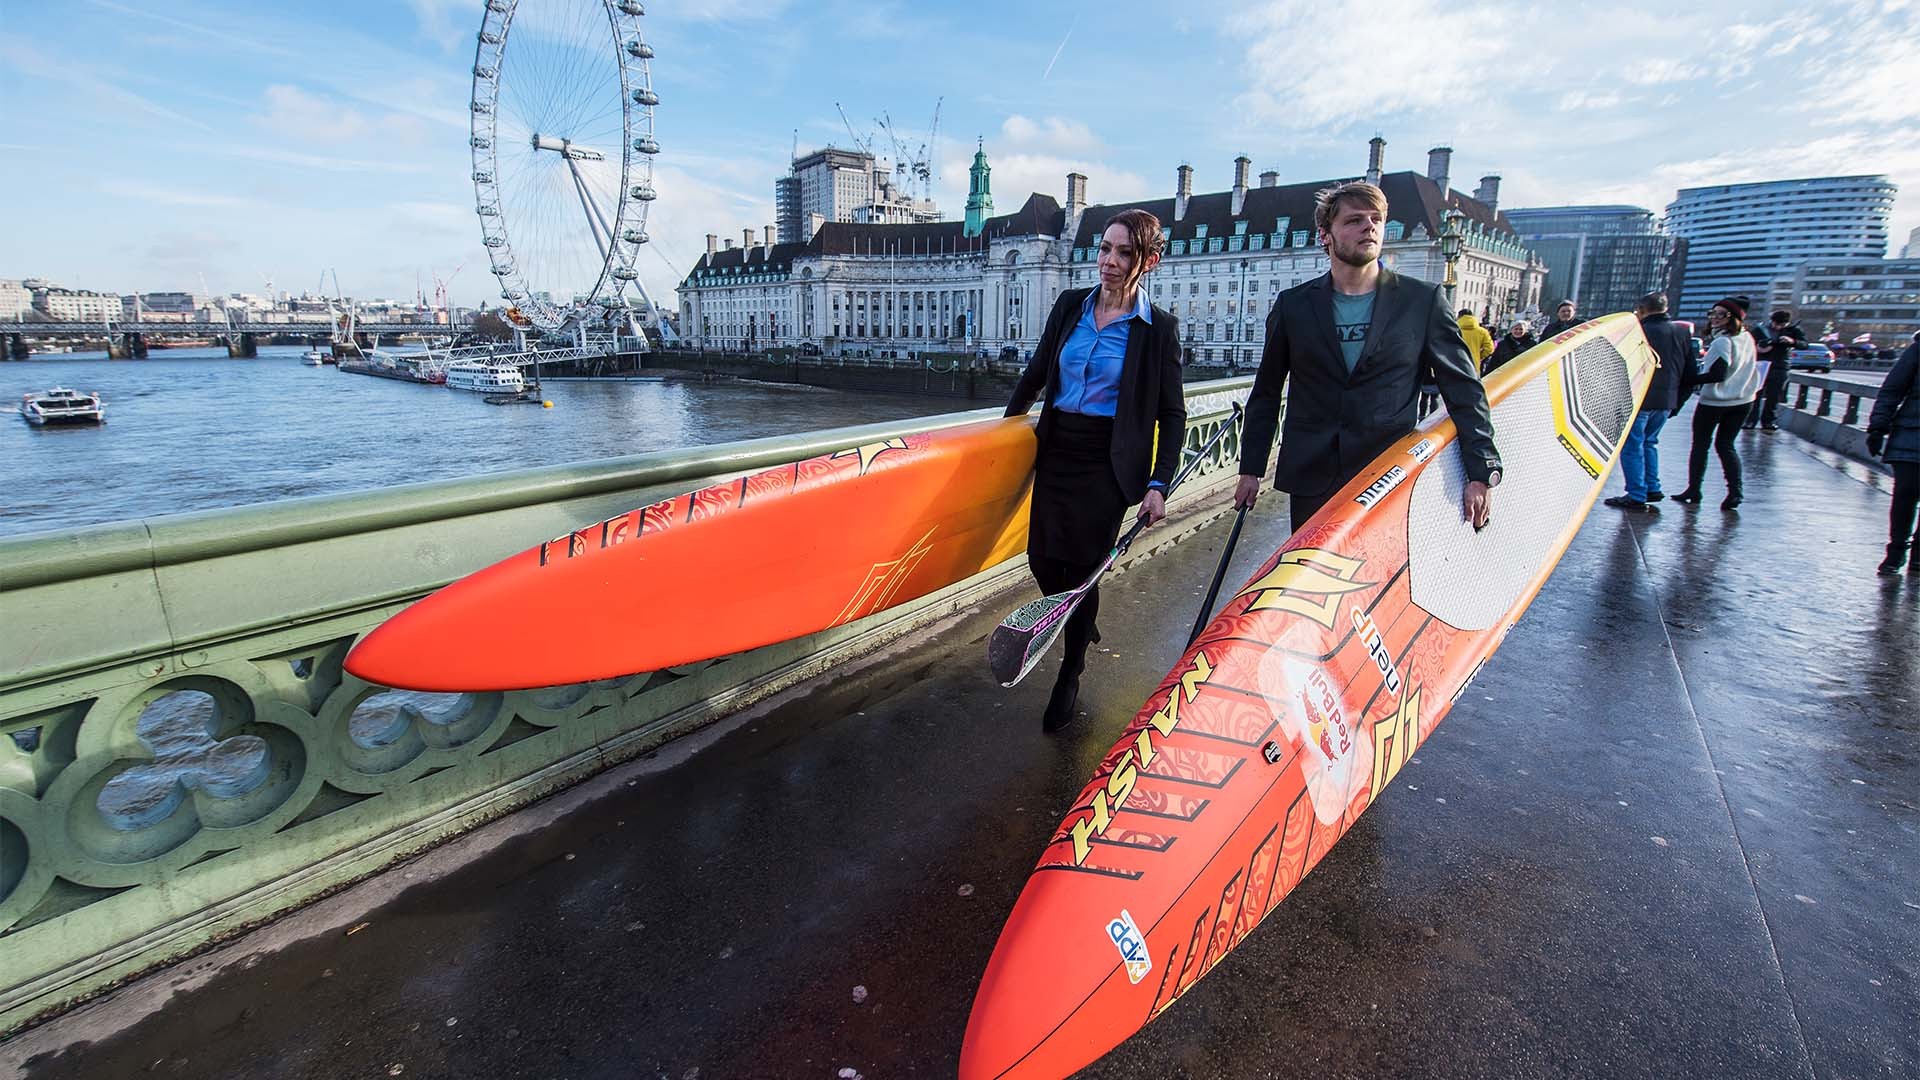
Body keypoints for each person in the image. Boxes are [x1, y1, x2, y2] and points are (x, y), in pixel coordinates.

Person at [1005, 208, 1185, 732]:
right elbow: (1037, 374)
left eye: (1124, 253)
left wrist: (1158, 483)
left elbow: (1172, 414)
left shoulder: (1158, 330)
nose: (1108, 261)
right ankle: (1081, 622)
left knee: (1081, 572)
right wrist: (1002, 432)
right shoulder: (1068, 307)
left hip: (1109, 461)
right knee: (1043, 561)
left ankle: (1072, 667)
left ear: (1147, 262)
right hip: (1058, 448)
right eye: (1105, 249)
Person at [1235, 181, 1501, 533]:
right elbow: (1266, 393)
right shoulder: (1293, 306)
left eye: (1376, 219)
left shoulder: (1421, 302)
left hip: (1387, 474)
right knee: (1313, 583)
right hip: (1313, 477)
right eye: (1354, 220)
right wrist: (1250, 469)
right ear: (1325, 235)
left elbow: (1464, 390)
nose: (1369, 226)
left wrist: (1480, 470)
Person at [1603, 293, 1689, 511]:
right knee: (1650, 442)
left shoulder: (1639, 332)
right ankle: (1653, 486)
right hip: (1666, 399)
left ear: (1641, 309)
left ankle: (1636, 492)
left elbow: (1619, 367)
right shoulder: (1681, 332)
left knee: (1632, 446)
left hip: (1640, 398)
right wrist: (1677, 401)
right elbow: (1690, 370)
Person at [1672, 298, 1760, 510]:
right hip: (1743, 400)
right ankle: (1735, 491)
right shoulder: (1747, 337)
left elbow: (1717, 375)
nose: (1714, 319)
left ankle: (1694, 489)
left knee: (1701, 445)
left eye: (1721, 314)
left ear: (1734, 318)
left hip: (1715, 401)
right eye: (1713, 314)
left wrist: (1688, 378)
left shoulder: (1723, 342)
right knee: (1726, 445)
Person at [1866, 332, 1919, 574]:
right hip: (1913, 432)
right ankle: (1896, 550)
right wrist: (1878, 426)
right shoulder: (1917, 350)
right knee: (1906, 493)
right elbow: (1892, 390)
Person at [1745, 309, 1804, 430]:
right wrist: (1759, 347)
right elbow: (1748, 343)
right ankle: (1750, 421)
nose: (1778, 327)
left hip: (1780, 366)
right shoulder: (1761, 330)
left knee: (1774, 396)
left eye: (1782, 325)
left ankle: (1768, 422)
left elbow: (1804, 344)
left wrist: (1792, 341)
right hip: (1761, 365)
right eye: (1776, 324)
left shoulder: (1793, 331)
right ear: (1772, 321)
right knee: (1754, 395)